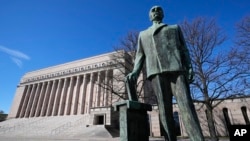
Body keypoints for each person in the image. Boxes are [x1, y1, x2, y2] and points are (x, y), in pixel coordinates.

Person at [126, 6, 204, 141]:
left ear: (163, 14)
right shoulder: (143, 34)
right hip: (156, 72)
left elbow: (184, 49)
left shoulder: (174, 28)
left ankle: (197, 138)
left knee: (186, 105)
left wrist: (189, 67)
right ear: (149, 16)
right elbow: (140, 56)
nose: (156, 11)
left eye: (158, 9)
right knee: (164, 110)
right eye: (153, 10)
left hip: (177, 70)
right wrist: (135, 72)